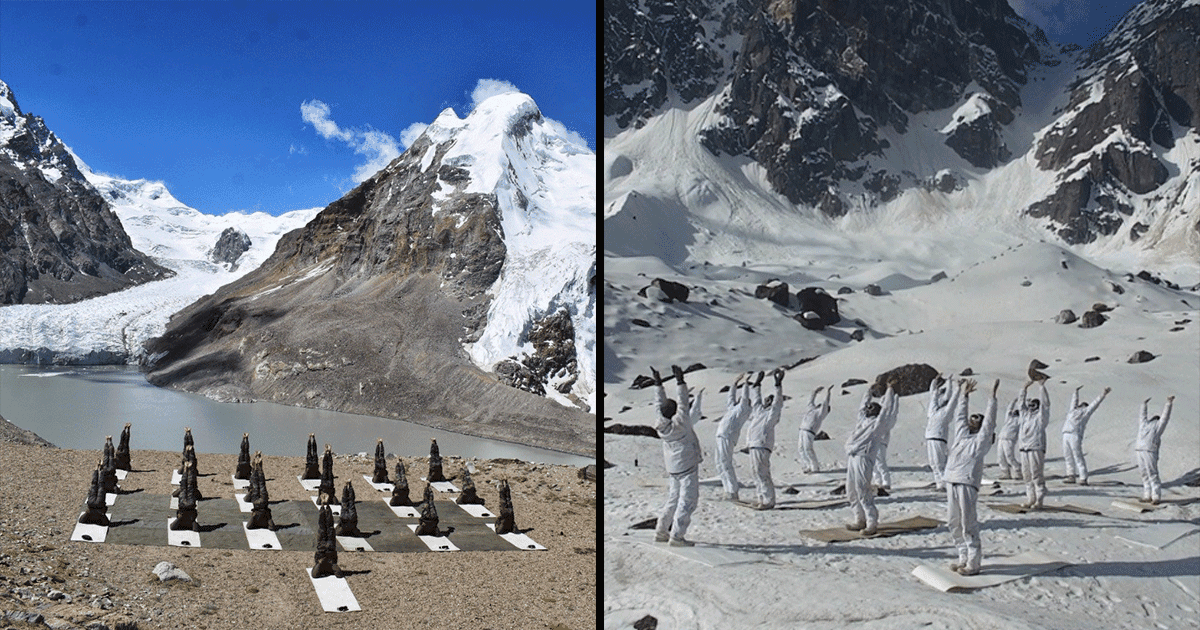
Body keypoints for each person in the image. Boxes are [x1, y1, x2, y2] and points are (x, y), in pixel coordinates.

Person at [943, 379, 998, 576]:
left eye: (975, 420)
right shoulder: (962, 435)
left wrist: (992, 398)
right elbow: (959, 417)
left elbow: (990, 423)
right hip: (951, 480)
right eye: (971, 419)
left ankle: (973, 563)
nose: (971, 421)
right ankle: (962, 556)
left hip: (966, 482)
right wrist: (964, 396)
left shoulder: (981, 442)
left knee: (968, 522)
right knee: (952, 521)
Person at [651, 365, 703, 547]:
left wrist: (658, 384)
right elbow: (683, 402)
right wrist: (680, 381)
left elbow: (660, 406)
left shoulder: (661, 426)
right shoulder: (681, 422)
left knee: (673, 499)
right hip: (687, 466)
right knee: (687, 501)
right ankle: (677, 536)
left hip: (673, 468)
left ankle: (661, 531)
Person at [844, 385, 896, 535]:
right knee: (851, 490)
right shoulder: (862, 422)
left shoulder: (878, 425)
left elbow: (887, 410)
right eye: (868, 407)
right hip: (852, 456)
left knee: (863, 490)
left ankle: (872, 522)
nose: (868, 409)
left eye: (871, 407)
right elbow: (861, 409)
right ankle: (859, 519)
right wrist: (868, 391)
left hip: (864, 458)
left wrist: (889, 390)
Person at [746, 368, 785, 509]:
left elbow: (778, 403)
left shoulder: (771, 415)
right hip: (753, 445)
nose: (767, 400)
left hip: (762, 445)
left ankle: (769, 500)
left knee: (762, 473)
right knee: (755, 473)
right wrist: (757, 383)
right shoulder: (758, 411)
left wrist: (778, 385)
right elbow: (756, 398)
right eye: (767, 398)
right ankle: (761, 497)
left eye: (770, 399)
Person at [714, 372, 753, 501]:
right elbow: (730, 398)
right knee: (719, 463)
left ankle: (733, 491)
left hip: (728, 437)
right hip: (721, 436)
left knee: (726, 463)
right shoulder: (733, 409)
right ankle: (727, 490)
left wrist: (746, 384)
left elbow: (744, 397)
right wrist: (734, 384)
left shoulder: (743, 410)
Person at [1061, 386, 1111, 485]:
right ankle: (1070, 475)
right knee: (1067, 456)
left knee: (1077, 456)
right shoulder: (1072, 411)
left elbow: (1095, 404)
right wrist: (1076, 392)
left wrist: (1103, 394)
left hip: (1075, 435)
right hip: (1066, 433)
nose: (1081, 405)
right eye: (1081, 404)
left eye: (1084, 405)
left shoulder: (1086, 413)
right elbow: (1073, 402)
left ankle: (1083, 477)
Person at [1017, 379, 1051, 509]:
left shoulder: (1040, 418)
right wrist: (1024, 389)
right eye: (1029, 405)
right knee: (1026, 475)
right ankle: (1030, 499)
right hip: (1024, 448)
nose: (1030, 407)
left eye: (1033, 405)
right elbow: (1020, 404)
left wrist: (1041, 387)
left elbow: (1046, 405)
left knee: (1036, 474)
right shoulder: (1025, 416)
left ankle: (1039, 500)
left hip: (1036, 447)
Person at [1135, 396, 1174, 504]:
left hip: (1149, 451)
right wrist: (1144, 404)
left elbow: (1165, 417)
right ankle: (1147, 495)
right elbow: (1142, 415)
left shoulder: (1158, 427)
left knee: (1152, 473)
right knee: (1143, 474)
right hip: (1139, 450)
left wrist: (1168, 403)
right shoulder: (1144, 424)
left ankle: (1156, 496)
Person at [925, 376, 961, 489]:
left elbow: (953, 400)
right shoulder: (933, 411)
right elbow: (933, 396)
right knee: (933, 464)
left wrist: (957, 388)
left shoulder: (946, 413)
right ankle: (940, 483)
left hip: (938, 438)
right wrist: (935, 381)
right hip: (930, 438)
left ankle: (945, 483)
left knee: (939, 463)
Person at [797, 384, 833, 473]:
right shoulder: (812, 409)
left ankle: (815, 468)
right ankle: (807, 466)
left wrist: (828, 393)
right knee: (801, 449)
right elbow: (810, 401)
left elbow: (825, 403)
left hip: (809, 431)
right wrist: (814, 392)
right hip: (802, 430)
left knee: (808, 449)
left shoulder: (820, 414)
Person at [871, 383, 901, 490]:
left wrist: (890, 389)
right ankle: (878, 481)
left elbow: (888, 406)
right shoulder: (879, 417)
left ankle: (886, 482)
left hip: (881, 441)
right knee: (873, 462)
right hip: (874, 440)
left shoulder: (886, 418)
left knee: (879, 461)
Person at [996, 396, 1021, 480]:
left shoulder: (1019, 421)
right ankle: (1005, 472)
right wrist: (1013, 401)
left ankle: (1017, 471)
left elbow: (1023, 411)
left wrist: (1022, 402)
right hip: (1001, 438)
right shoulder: (1008, 418)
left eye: (1015, 412)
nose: (1013, 413)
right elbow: (1008, 410)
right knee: (1000, 456)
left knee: (1009, 456)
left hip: (1010, 439)